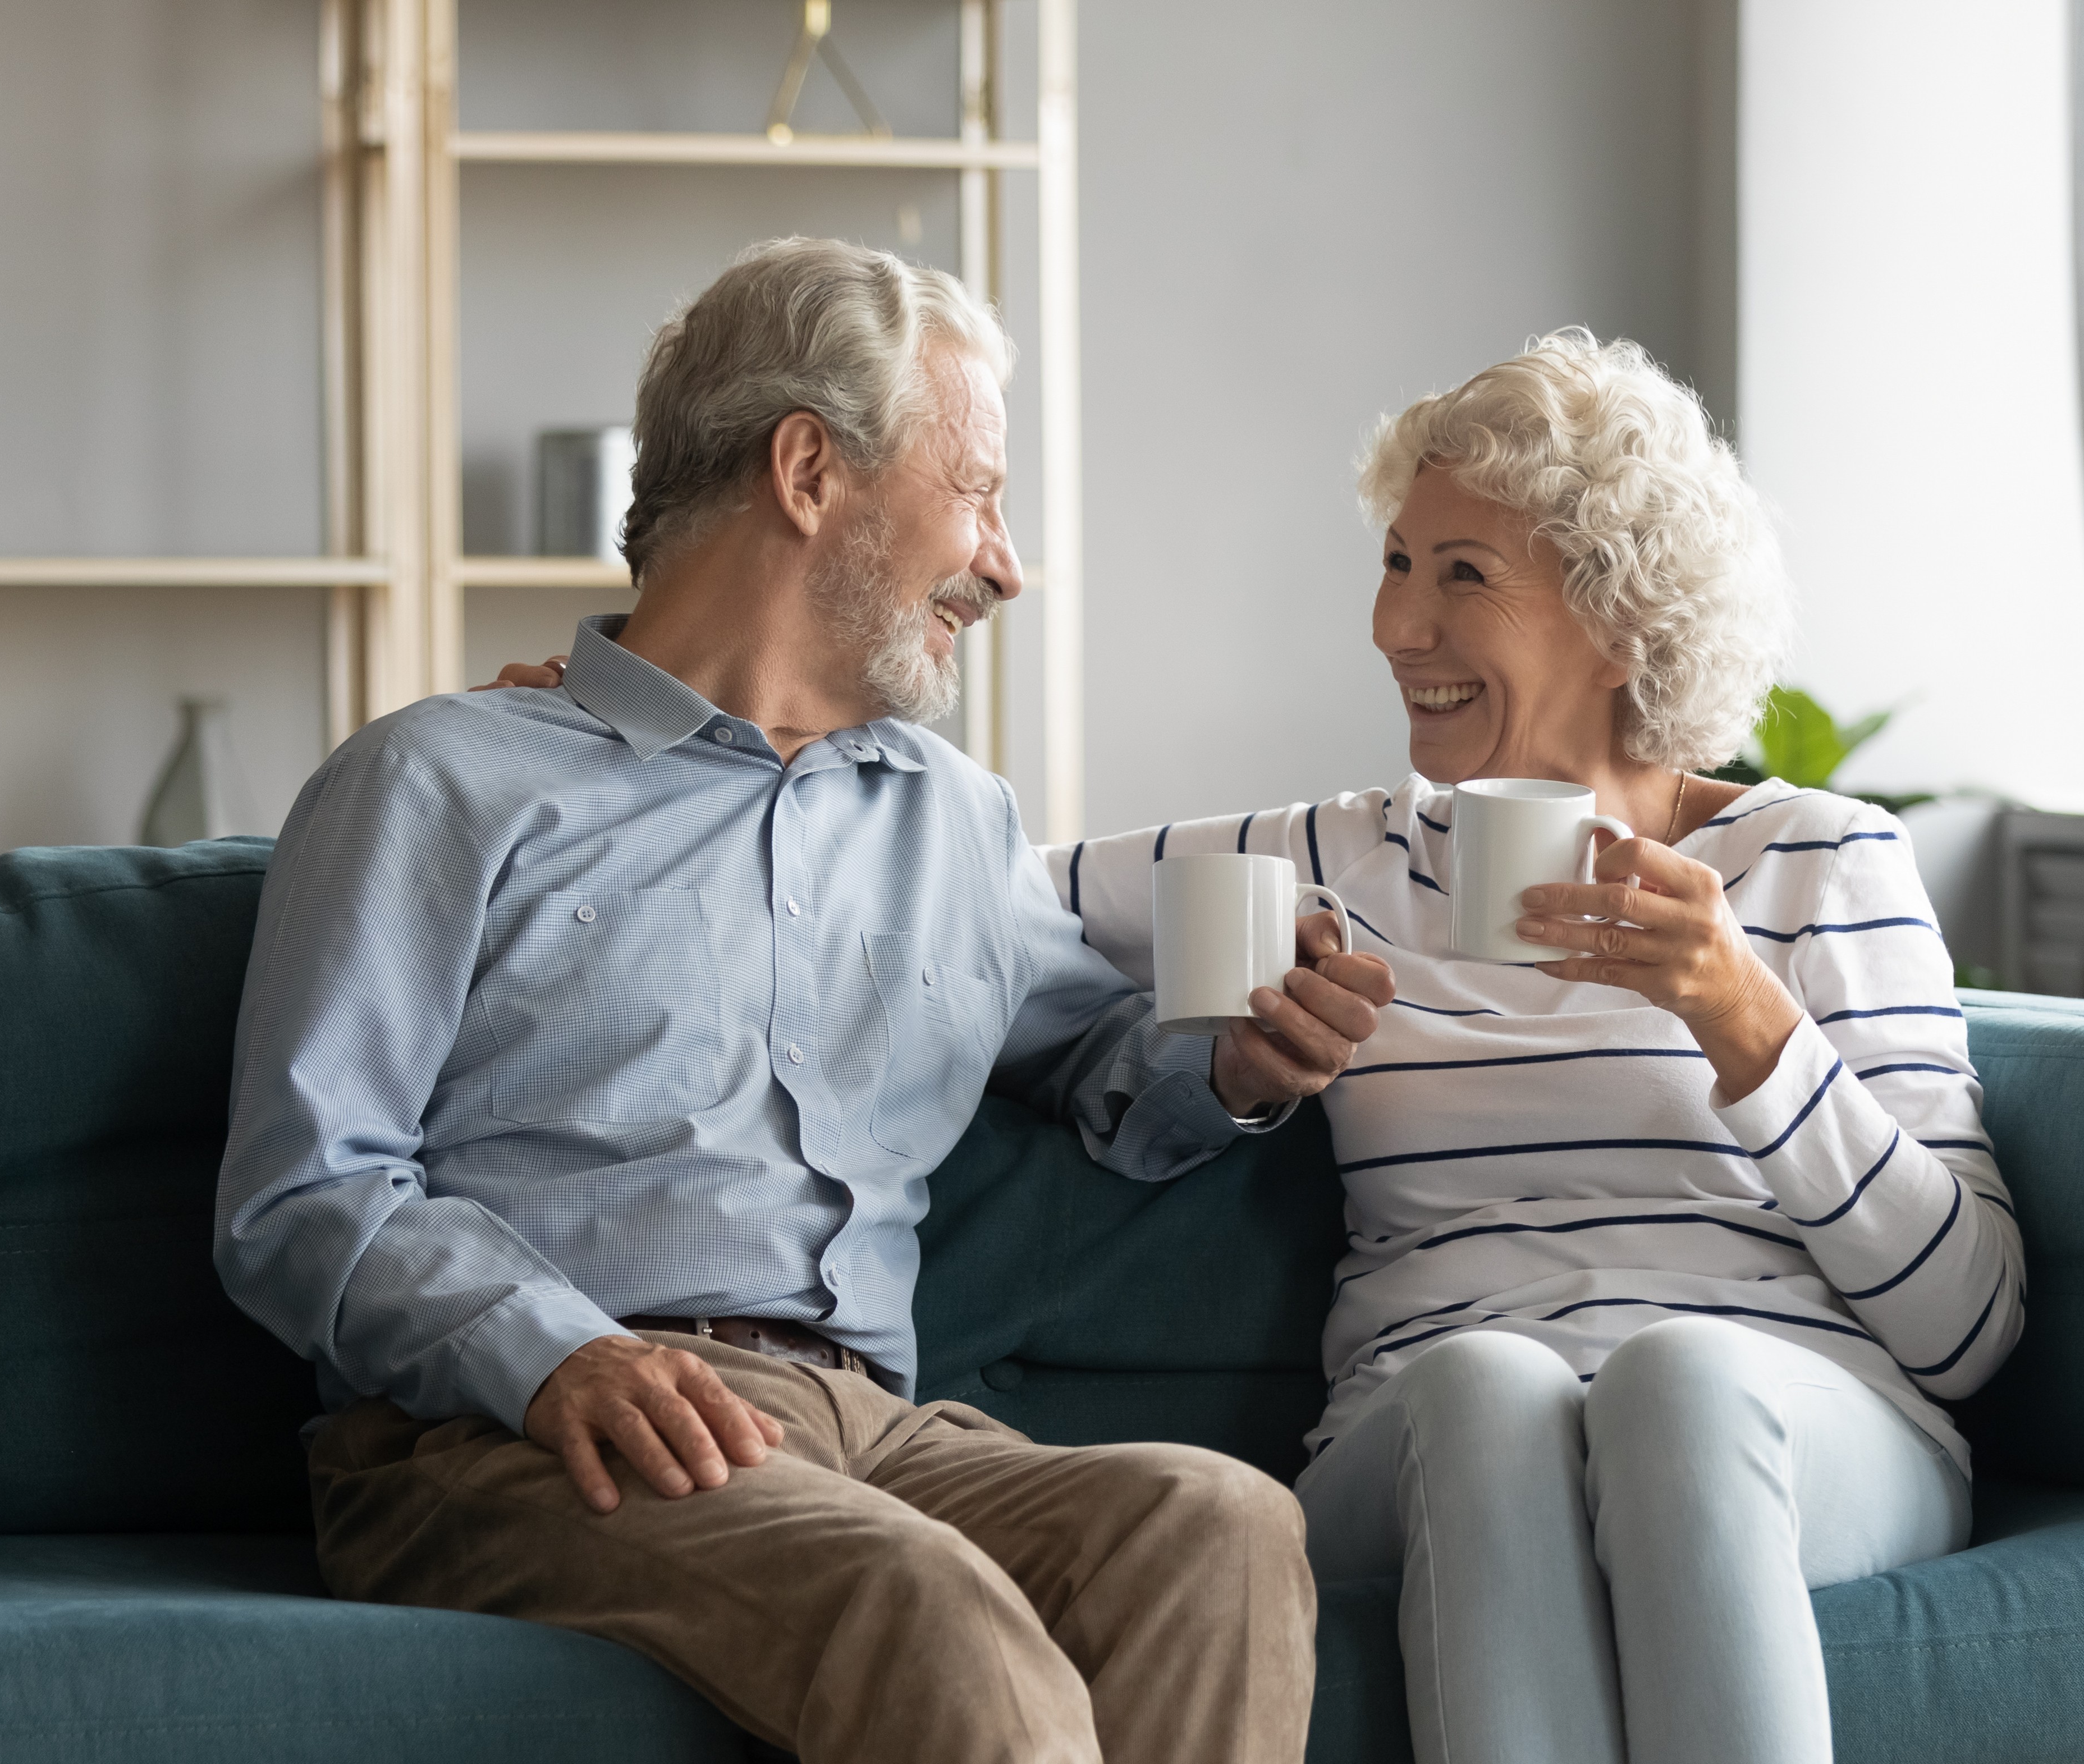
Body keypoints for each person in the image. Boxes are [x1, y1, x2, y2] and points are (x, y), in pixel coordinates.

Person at [217, 236, 1391, 1764]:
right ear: (807, 471)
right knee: (933, 1614)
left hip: (862, 1432)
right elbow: (304, 1191)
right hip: (508, 1434)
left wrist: (1235, 1061)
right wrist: (552, 1349)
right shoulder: (443, 780)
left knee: (1214, 1524)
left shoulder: (955, 823)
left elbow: (1110, 1072)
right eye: (978, 493)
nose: (1007, 563)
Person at [1046, 332, 2022, 1764]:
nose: (1398, 627)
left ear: (1624, 620)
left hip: (1794, 1419)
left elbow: (1967, 1330)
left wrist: (1747, 1021)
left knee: (1680, 1382)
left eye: (1462, 576)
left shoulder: (1820, 860)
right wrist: (640, 723)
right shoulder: (1328, 861)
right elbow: (967, 885)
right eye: (1396, 562)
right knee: (1489, 1381)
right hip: (1427, 1418)